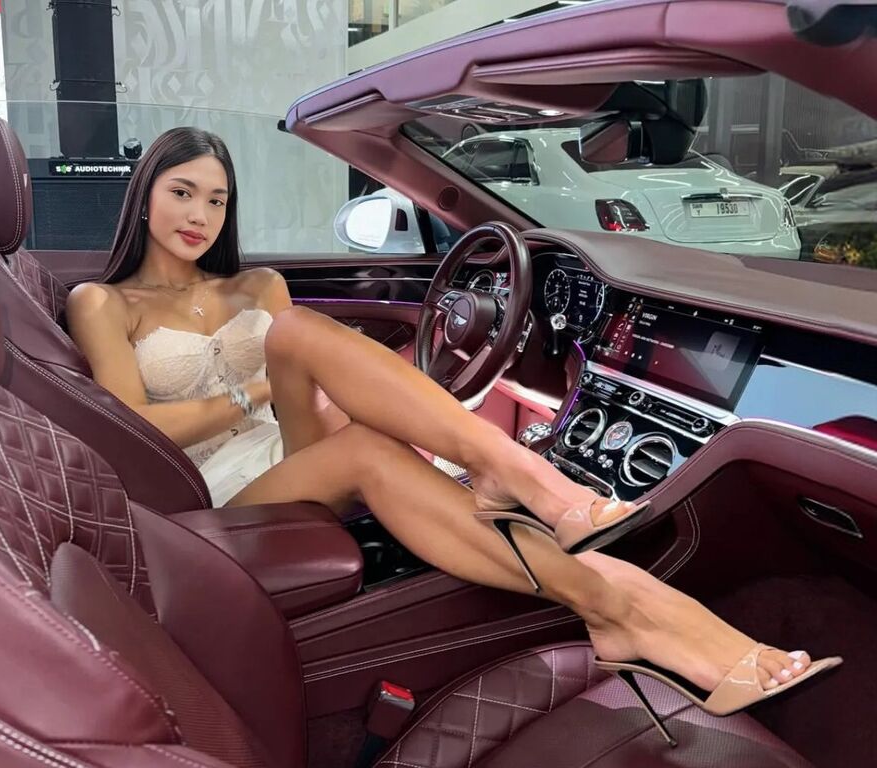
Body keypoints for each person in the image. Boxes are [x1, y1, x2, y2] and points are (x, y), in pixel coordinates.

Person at [67, 127, 839, 743]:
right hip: (215, 493)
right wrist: (257, 389)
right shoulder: (102, 302)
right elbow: (137, 423)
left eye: (217, 199)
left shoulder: (257, 285)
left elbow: (309, 395)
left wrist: (380, 420)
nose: (199, 216)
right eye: (182, 193)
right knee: (357, 435)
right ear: (145, 195)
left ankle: (562, 534)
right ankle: (615, 592)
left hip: (291, 450)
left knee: (305, 341)